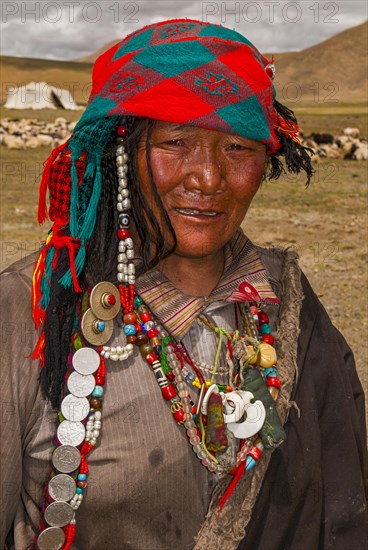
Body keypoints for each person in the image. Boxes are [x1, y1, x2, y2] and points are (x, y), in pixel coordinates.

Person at [1, 18, 366, 550]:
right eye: (176, 142)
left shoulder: (292, 305)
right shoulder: (32, 310)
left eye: (239, 148)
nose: (209, 178)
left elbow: (344, 513)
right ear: (120, 152)